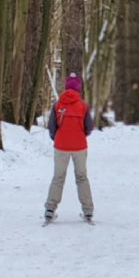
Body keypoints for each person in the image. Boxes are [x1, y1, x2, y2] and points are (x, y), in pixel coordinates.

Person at [44, 73, 95, 225]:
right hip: (79, 147)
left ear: (66, 87)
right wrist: (80, 135)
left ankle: (50, 210)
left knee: (58, 177)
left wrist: (58, 138)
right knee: (81, 177)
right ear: (79, 88)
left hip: (61, 147)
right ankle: (88, 211)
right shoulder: (83, 106)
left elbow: (52, 127)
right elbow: (89, 127)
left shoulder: (58, 105)